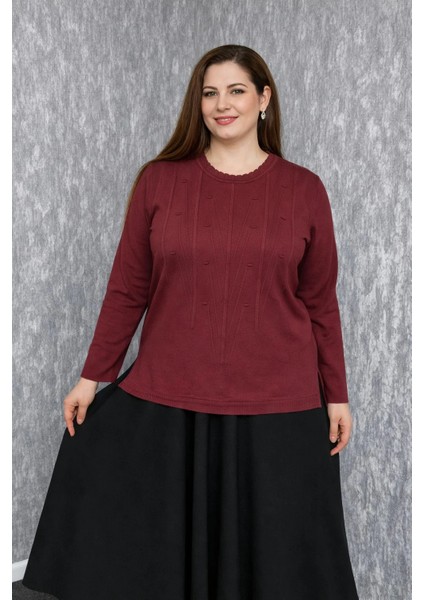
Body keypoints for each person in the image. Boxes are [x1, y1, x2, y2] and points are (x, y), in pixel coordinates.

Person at [23, 44, 359, 599]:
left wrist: (337, 396)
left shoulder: (305, 190)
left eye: (236, 91)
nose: (221, 104)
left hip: (278, 400)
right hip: (172, 391)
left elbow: (321, 302)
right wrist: (92, 376)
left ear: (264, 99)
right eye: (209, 93)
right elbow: (128, 288)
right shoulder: (159, 183)